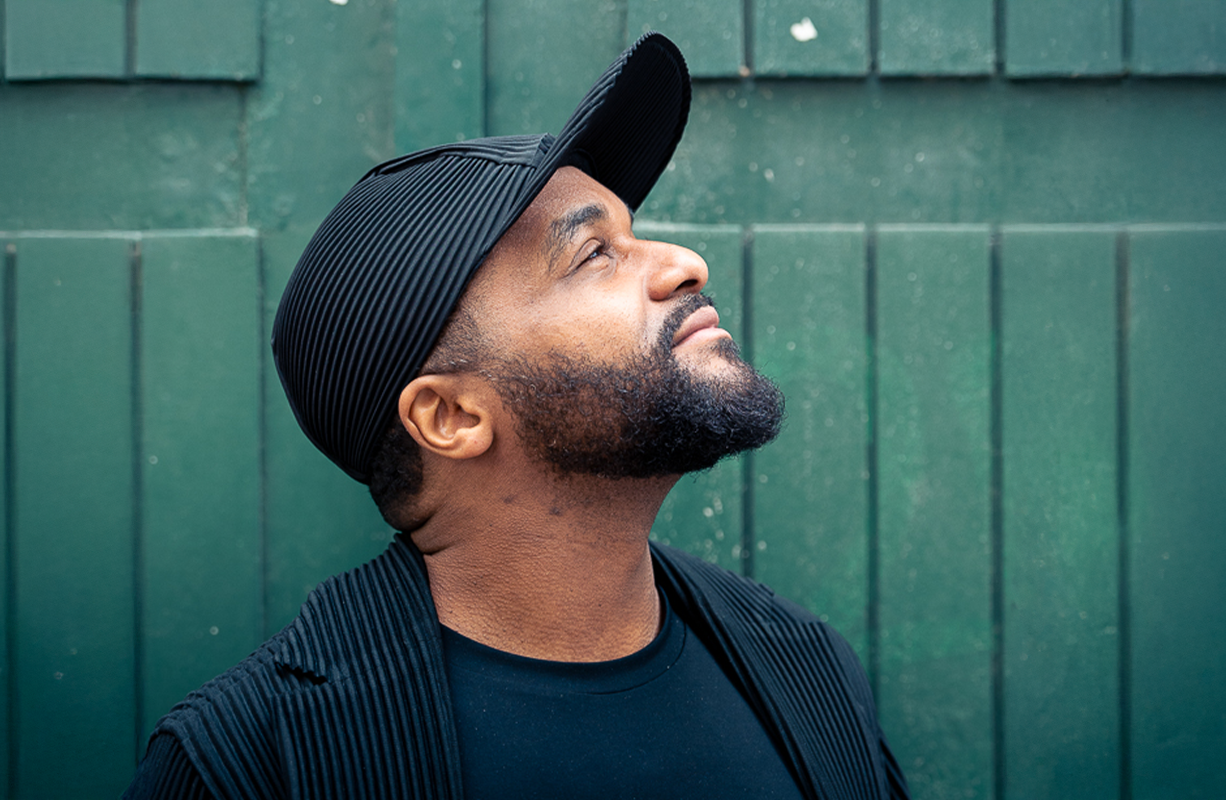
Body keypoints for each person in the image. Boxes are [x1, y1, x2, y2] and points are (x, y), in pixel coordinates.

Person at [124, 33, 910, 800]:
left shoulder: (804, 669)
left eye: (631, 233)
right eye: (594, 254)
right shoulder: (250, 763)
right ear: (450, 416)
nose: (684, 264)